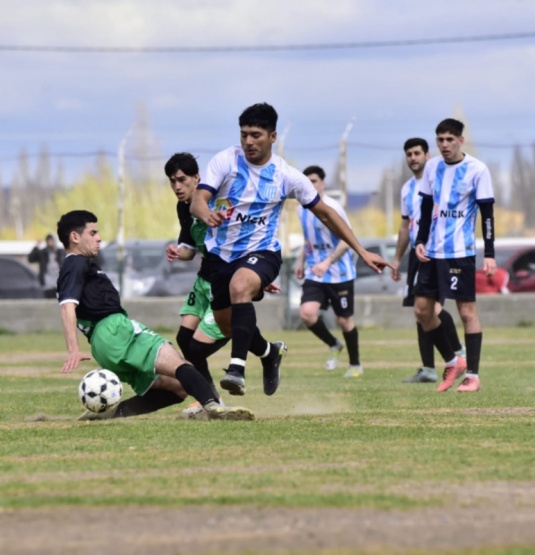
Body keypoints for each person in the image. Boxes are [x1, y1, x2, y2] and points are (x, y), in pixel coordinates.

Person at [190, 102, 392, 396]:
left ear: (273, 137)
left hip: (263, 252)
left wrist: (361, 250)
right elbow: (199, 198)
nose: (248, 141)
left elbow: (326, 213)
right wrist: (206, 213)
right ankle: (270, 353)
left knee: (240, 286)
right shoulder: (226, 161)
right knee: (226, 323)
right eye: (244, 134)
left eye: (256, 135)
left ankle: (237, 369)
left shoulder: (287, 176)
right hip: (220, 255)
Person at [56, 209, 255, 421]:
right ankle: (215, 408)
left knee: (178, 389)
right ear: (75, 237)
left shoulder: (74, 266)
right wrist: (73, 349)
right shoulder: (75, 262)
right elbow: (67, 306)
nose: (99, 238)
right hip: (115, 331)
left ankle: (109, 415)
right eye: (93, 233)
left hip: (102, 346)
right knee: (182, 365)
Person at [413, 119, 496, 393]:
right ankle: (452, 361)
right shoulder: (432, 167)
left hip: (460, 253)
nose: (444, 145)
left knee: (466, 311)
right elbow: (426, 207)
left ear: (460, 140)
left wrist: (490, 253)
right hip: (433, 253)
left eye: (450, 139)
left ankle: (472, 375)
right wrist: (421, 240)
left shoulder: (477, 170)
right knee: (422, 310)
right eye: (440, 140)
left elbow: (487, 216)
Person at [391, 138, 465, 383]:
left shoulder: (441, 181)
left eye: (417, 153)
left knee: (432, 308)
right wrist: (397, 259)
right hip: (416, 255)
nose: (413, 158)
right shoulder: (406, 189)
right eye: (409, 154)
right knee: (420, 312)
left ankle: (457, 353)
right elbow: (405, 227)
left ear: (427, 155)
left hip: (438, 254)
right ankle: (429, 368)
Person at [164, 152, 231, 417]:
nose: (177, 186)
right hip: (204, 278)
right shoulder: (183, 208)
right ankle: (210, 398)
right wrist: (176, 252)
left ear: (197, 178)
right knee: (183, 338)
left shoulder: (217, 202)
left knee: (197, 347)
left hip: (224, 280)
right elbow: (189, 251)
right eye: (172, 181)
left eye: (182, 180)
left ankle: (269, 351)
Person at [294, 165, 363, 378]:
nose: (311, 185)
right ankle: (334, 344)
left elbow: (346, 239)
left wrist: (327, 262)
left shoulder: (333, 207)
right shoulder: (300, 209)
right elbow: (309, 239)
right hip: (315, 272)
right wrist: (301, 259)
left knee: (343, 320)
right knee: (307, 313)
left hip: (339, 273)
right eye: (307, 182)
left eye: (314, 181)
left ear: (322, 184)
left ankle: (355, 365)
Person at [28, 233, 65, 298]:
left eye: (52, 240)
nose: (50, 242)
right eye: (48, 240)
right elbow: (31, 259)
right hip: (47, 282)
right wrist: (36, 247)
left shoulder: (61, 252)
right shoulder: (43, 252)